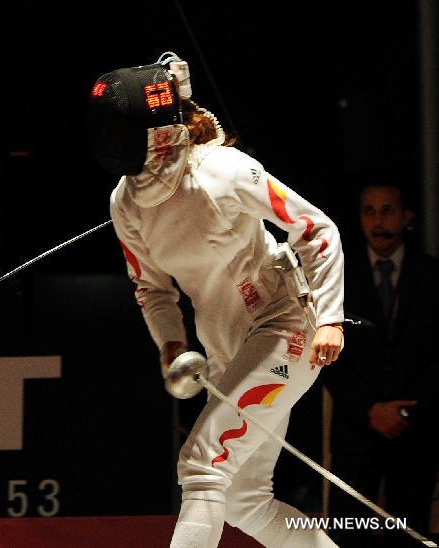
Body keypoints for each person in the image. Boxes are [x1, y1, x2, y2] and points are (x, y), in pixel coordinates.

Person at [89, 53, 344, 547]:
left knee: (202, 464)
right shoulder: (125, 204)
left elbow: (315, 229)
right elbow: (152, 288)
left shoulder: (223, 170)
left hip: (285, 329)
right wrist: (171, 344)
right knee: (242, 502)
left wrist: (330, 319)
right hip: (226, 351)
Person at [321, 183, 438, 546]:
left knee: (410, 533)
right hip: (356, 430)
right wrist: (369, 409)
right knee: (349, 535)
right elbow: (325, 355)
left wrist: (404, 412)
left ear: (406, 217)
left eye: (387, 210)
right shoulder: (336, 278)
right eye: (369, 211)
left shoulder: (433, 275)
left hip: (415, 430)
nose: (378, 220)